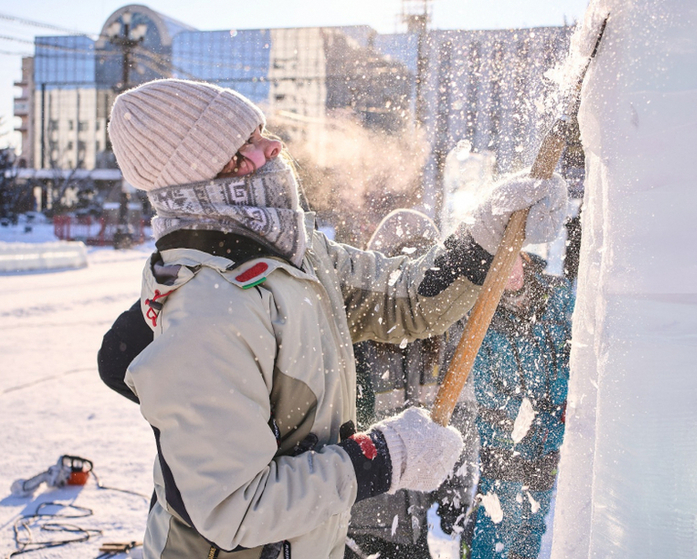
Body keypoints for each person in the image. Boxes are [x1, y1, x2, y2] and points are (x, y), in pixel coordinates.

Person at [100, 77, 568, 559]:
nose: (274, 145)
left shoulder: (298, 255)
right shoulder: (206, 313)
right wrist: (383, 459)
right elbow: (236, 508)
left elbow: (402, 299)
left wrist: (483, 236)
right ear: (218, 170)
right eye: (252, 143)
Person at [346, 209, 479, 559]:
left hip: (409, 526)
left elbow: (461, 422)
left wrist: (457, 494)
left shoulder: (448, 339)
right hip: (353, 520)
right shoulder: (353, 338)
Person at [468, 251, 574, 559]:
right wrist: (523, 415)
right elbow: (484, 385)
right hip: (502, 437)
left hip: (549, 435)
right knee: (499, 523)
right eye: (498, 266)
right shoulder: (481, 313)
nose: (509, 271)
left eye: (512, 259)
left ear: (524, 256)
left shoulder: (557, 295)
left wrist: (554, 409)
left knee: (532, 524)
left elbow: (572, 354)